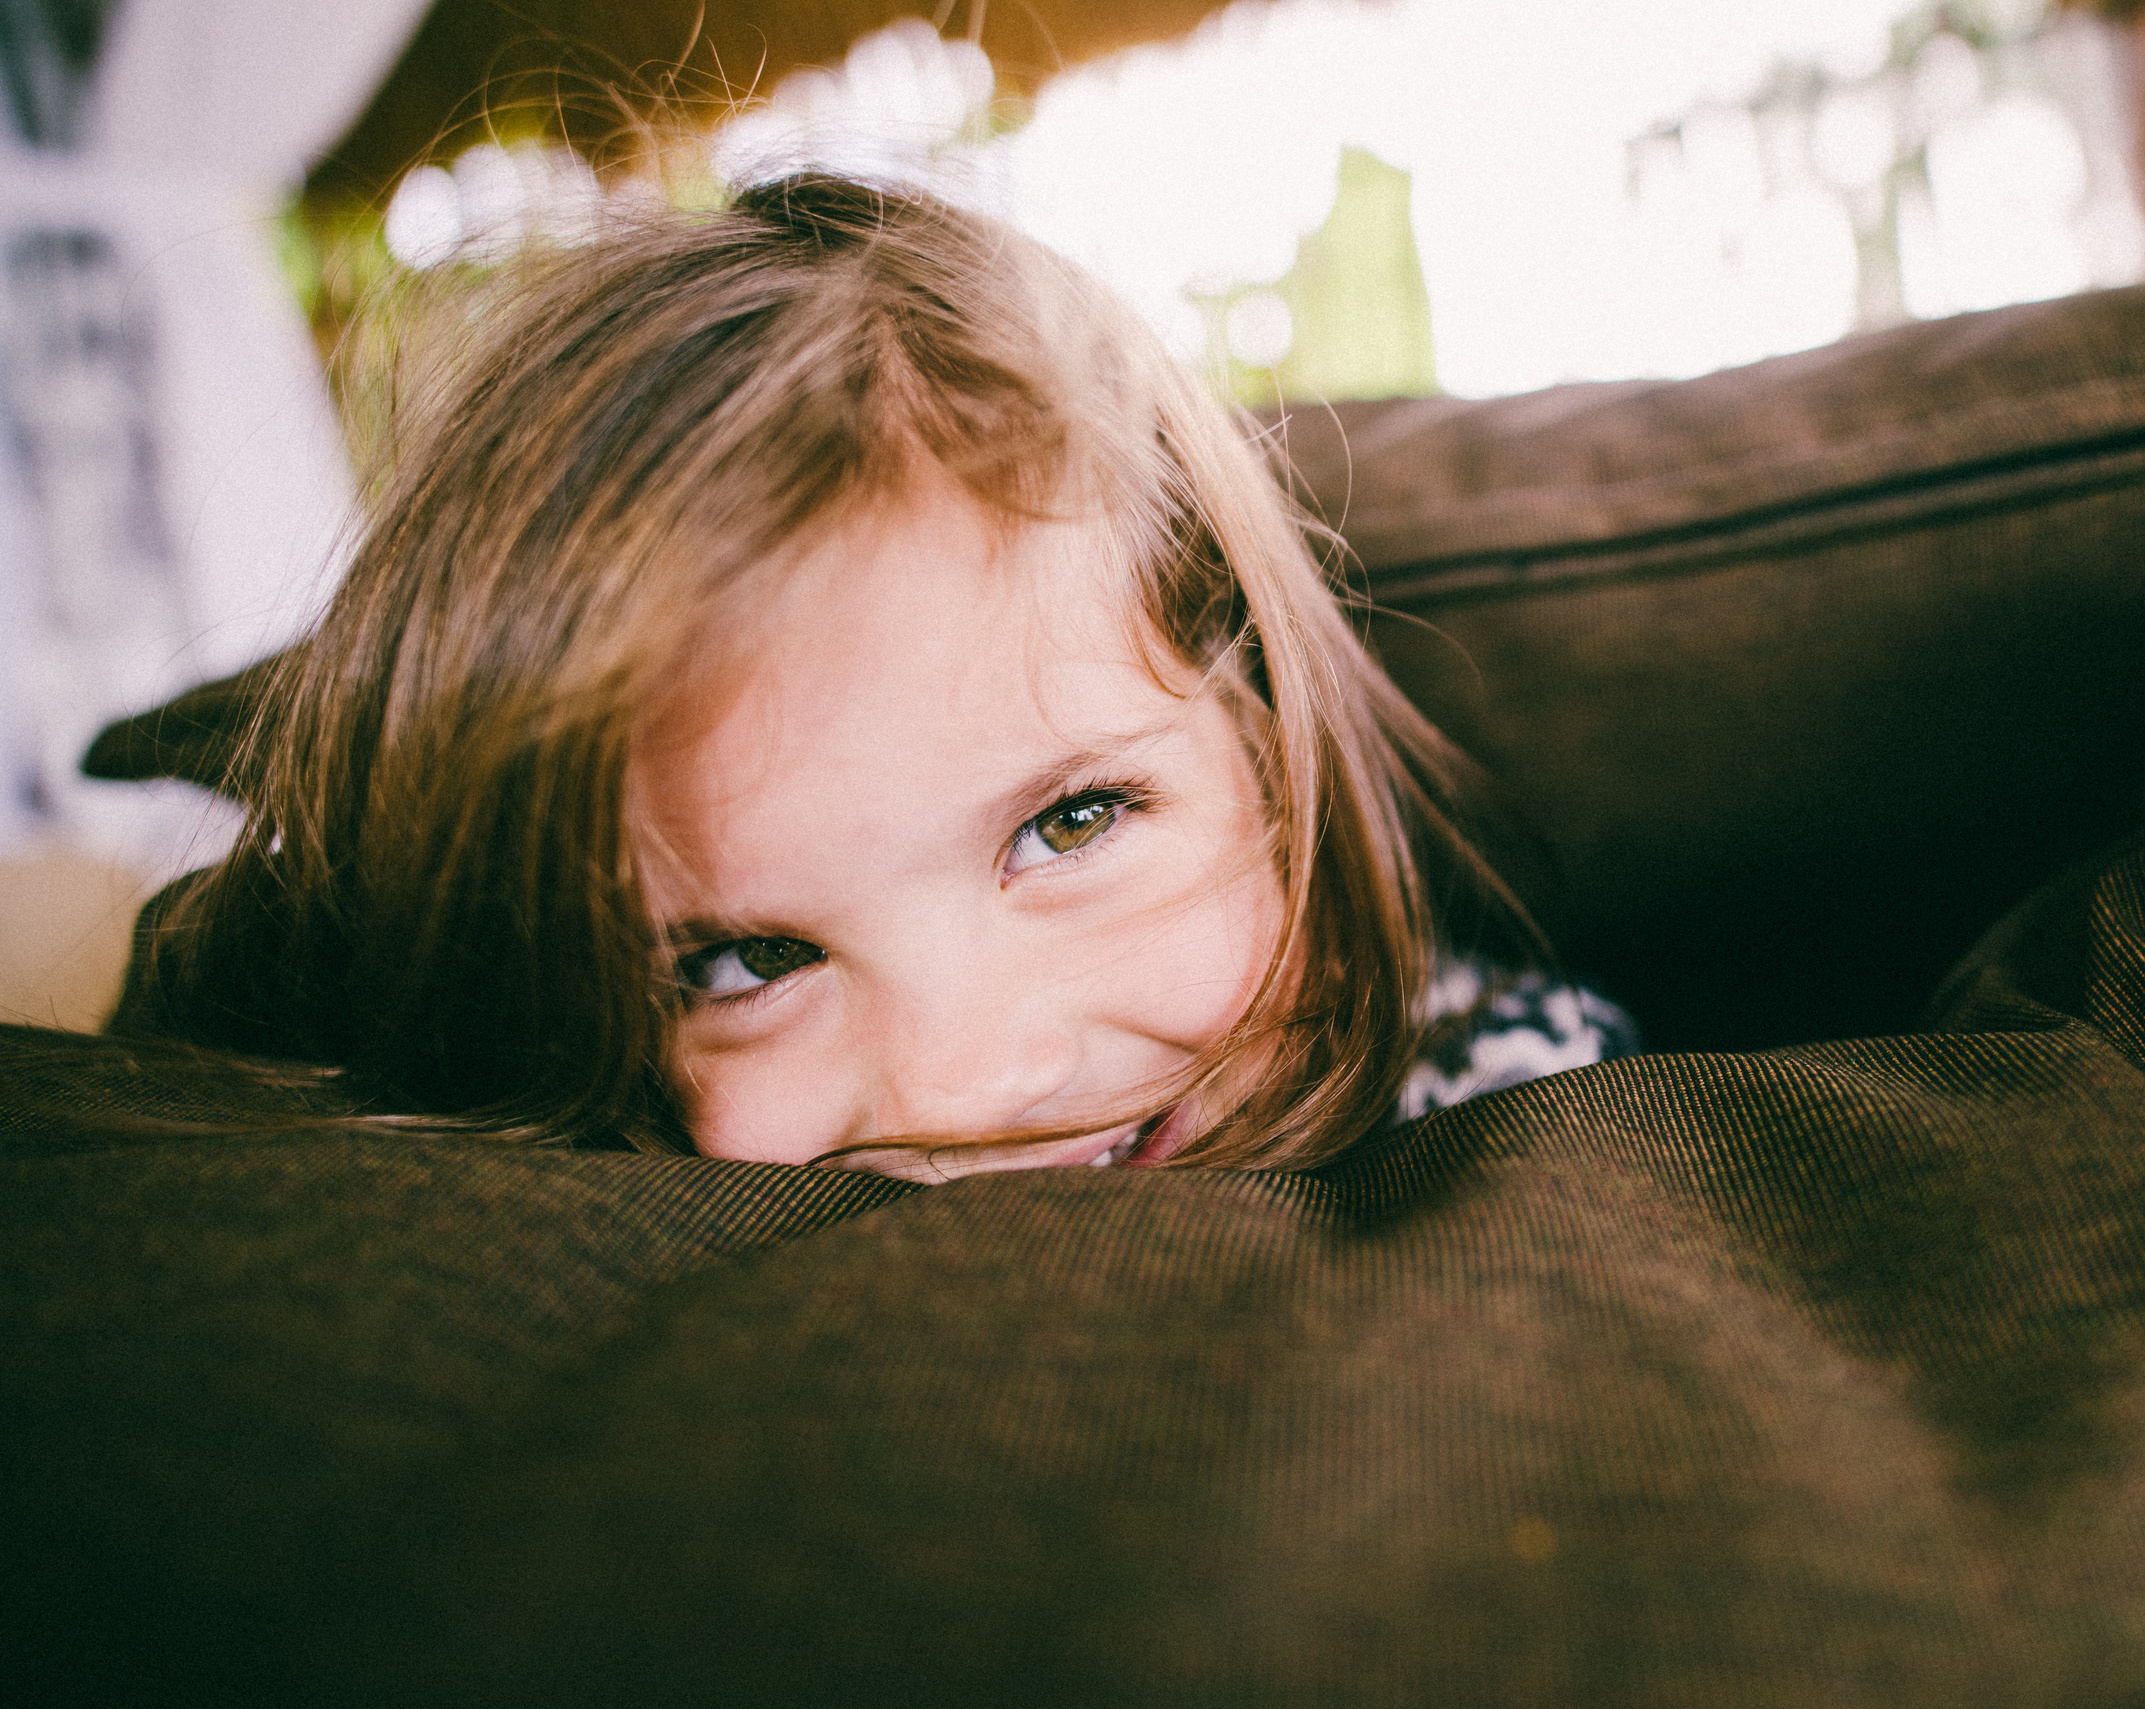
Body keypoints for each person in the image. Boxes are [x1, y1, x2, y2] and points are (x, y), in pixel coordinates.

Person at [109, 173, 1634, 1180]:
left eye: (1076, 823)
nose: (968, 1081)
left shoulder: (1524, 1108)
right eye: (745, 960)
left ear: (1268, 744)